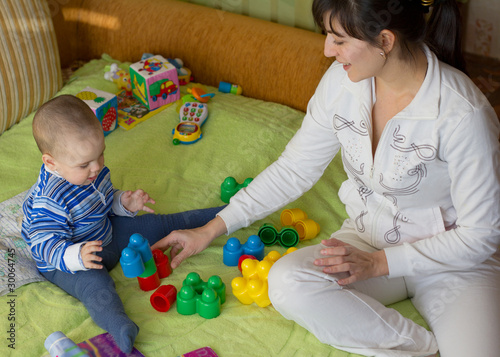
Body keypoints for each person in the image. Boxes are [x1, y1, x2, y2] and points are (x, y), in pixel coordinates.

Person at [152, 0, 500, 356]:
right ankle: (422, 349)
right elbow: (294, 168)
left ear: (385, 40)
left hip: (450, 262)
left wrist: (380, 264)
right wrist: (210, 229)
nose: (327, 50)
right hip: (366, 240)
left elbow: (481, 234)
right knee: (287, 282)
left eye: (338, 39)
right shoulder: (342, 83)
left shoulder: (462, 114)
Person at [21, 95, 224, 353]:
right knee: (96, 288)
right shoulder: (48, 200)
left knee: (156, 224)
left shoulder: (90, 170)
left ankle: (222, 215)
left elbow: (102, 201)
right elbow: (43, 245)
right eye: (85, 164)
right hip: (68, 260)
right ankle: (119, 326)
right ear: (51, 162)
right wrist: (76, 256)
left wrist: (124, 204)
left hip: (105, 231)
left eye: (101, 154)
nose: (96, 167)